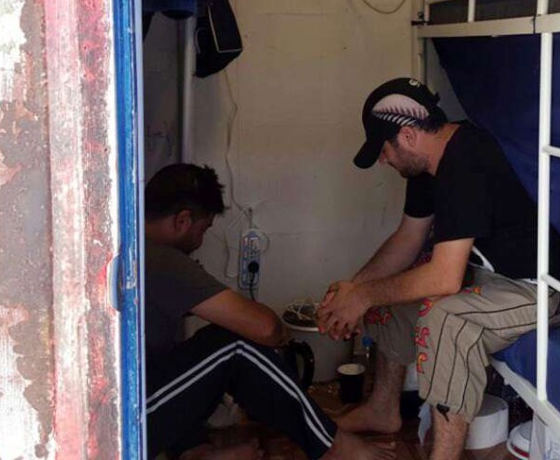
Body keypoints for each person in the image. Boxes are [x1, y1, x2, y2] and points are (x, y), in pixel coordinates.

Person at [318, 79, 560, 460]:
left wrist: (364, 294)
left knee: (446, 321)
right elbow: (408, 238)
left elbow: (444, 278)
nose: (383, 160)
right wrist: (352, 293)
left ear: (407, 135)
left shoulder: (467, 158)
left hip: (545, 287)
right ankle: (382, 409)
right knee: (390, 297)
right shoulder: (426, 167)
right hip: (496, 277)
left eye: (384, 150)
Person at [144, 163, 393, 460]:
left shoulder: (132, 246)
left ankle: (197, 452)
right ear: (183, 220)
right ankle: (334, 446)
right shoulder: (162, 260)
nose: (199, 242)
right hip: (134, 418)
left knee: (190, 353)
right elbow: (264, 327)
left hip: (137, 398)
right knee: (234, 345)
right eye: (203, 230)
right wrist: (281, 334)